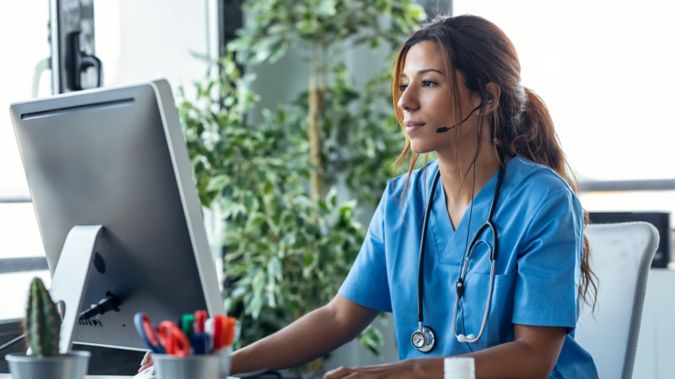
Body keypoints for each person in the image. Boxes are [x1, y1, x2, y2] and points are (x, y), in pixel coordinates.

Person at [141, 14, 599, 378]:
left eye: (429, 83)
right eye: (403, 85)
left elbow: (534, 358)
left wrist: (406, 372)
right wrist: (219, 365)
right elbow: (340, 317)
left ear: (487, 97)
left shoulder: (543, 201)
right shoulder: (403, 200)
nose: (405, 102)